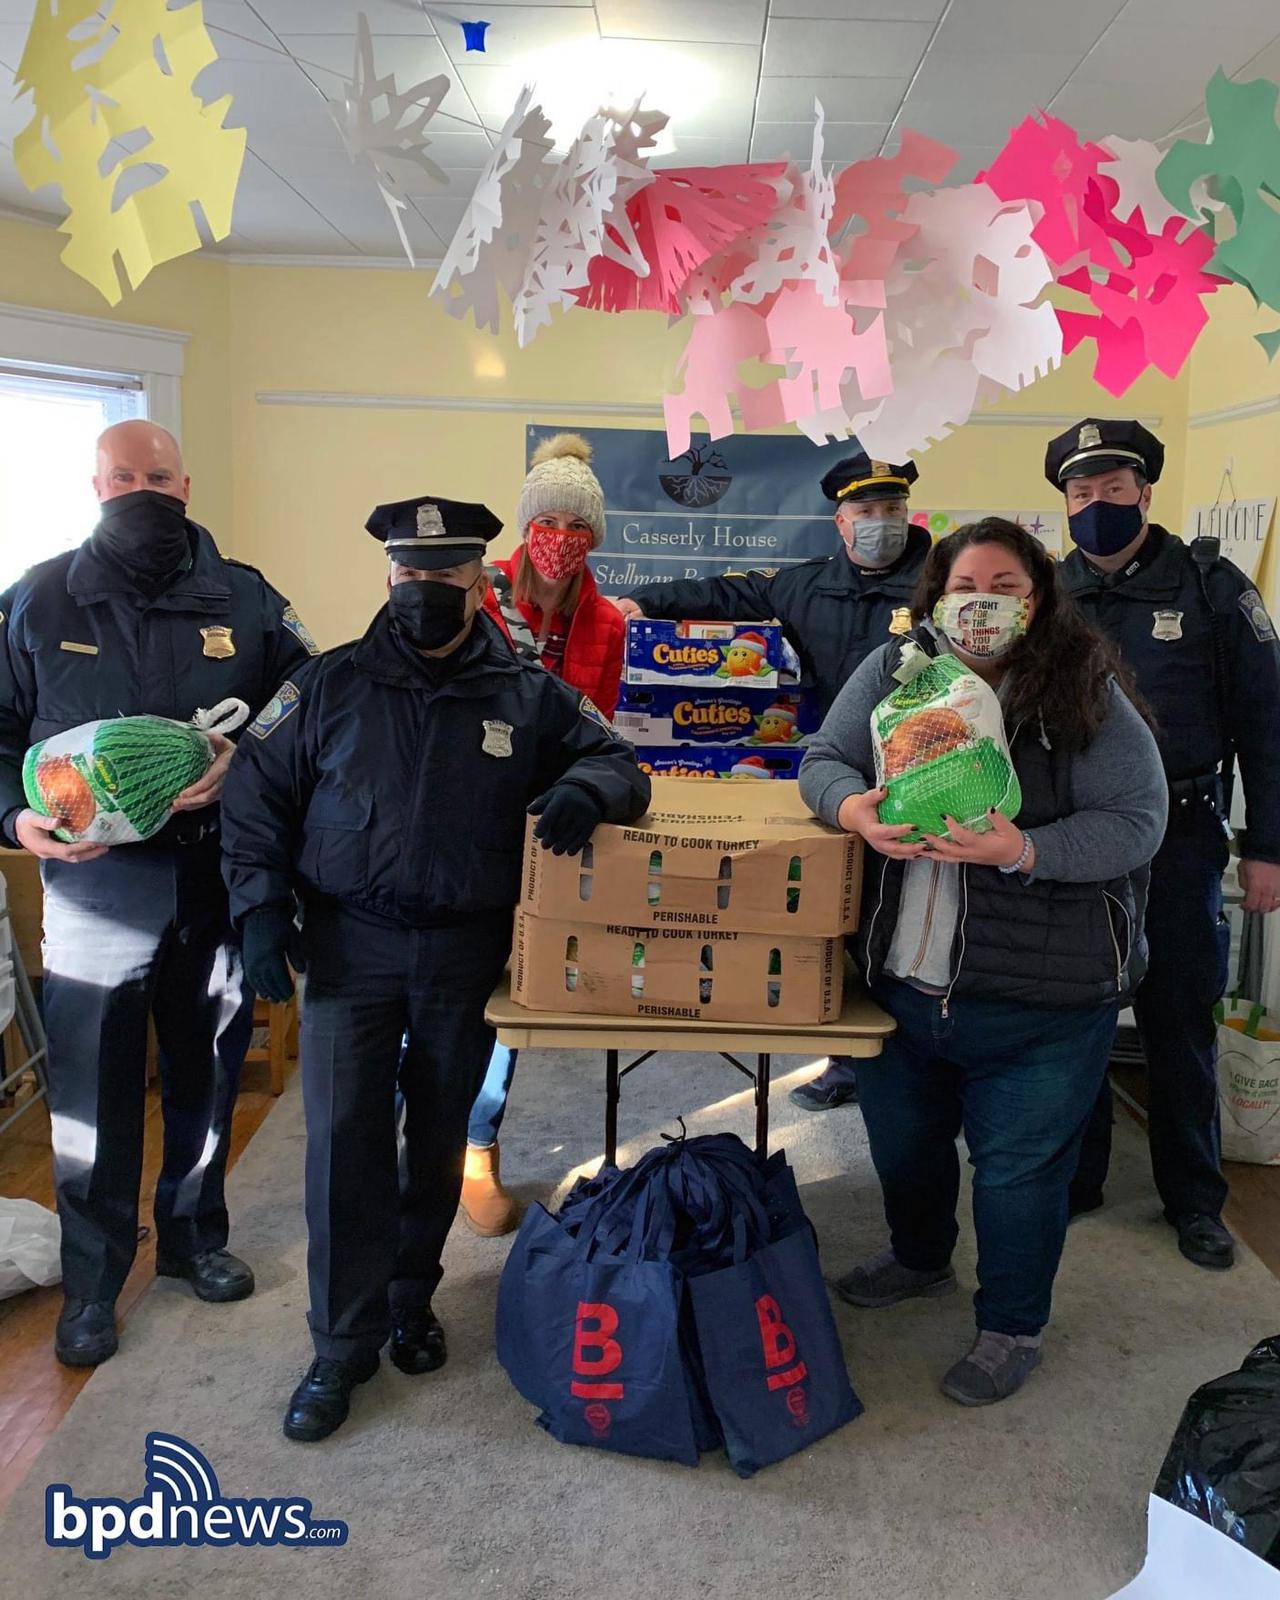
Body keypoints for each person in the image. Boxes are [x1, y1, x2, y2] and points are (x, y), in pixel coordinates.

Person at [220, 494, 649, 1443]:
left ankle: (411, 1297)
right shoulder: (324, 684)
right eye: (411, 573)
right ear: (389, 577)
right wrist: (258, 912)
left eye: (446, 574)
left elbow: (622, 761)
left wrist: (586, 786)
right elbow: (255, 795)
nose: (426, 588)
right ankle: (340, 1342)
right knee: (345, 1142)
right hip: (350, 948)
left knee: (440, 1133)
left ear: (479, 580)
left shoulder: (526, 692)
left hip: (465, 951)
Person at [800, 518, 1167, 1405]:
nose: (983, 605)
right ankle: (920, 1258)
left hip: (1042, 997)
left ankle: (1011, 1325)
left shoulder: (1083, 690)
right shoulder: (896, 675)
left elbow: (1136, 822)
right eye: (966, 588)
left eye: (1006, 589)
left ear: (1039, 601)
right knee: (905, 1147)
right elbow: (822, 760)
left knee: (1018, 1176)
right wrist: (852, 810)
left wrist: (1024, 851)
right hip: (904, 984)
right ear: (935, 597)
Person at [0, 420, 317, 1368]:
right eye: (123, 477)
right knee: (91, 1094)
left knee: (208, 1070)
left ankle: (192, 1239)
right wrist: (14, 819)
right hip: (94, 888)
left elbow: (304, 706)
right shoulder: (37, 598)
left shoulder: (248, 599)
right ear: (97, 486)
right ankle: (93, 1284)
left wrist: (243, 759)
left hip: (214, 873)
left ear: (185, 485)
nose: (141, 490)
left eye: (158, 476)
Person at [616, 448, 931, 1115]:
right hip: (834, 785)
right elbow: (728, 593)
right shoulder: (808, 585)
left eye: (891, 508)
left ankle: (919, 1072)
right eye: (866, 510)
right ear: (841, 521)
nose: (880, 521)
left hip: (925, 780)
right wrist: (643, 600)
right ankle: (847, 1061)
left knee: (913, 930)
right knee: (837, 921)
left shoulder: (942, 583)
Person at [1050, 419, 1280, 1271]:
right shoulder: (1048, 594)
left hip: (1183, 836)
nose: (1097, 504)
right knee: (1077, 1012)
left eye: (1113, 488)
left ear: (1144, 492)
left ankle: (1194, 1199)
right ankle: (1079, 1179)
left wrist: (1268, 848)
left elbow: (1267, 725)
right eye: (1081, 492)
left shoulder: (1211, 588)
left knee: (1179, 1019)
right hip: (1079, 837)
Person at [466, 433, 624, 1235]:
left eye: (578, 525)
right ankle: (410, 1143)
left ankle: (475, 1149)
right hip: (464, 811)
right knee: (441, 989)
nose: (562, 537)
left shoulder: (608, 623)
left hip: (542, 825)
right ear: (525, 524)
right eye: (548, 520)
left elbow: (597, 731)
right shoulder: (478, 594)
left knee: (513, 990)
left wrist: (577, 789)